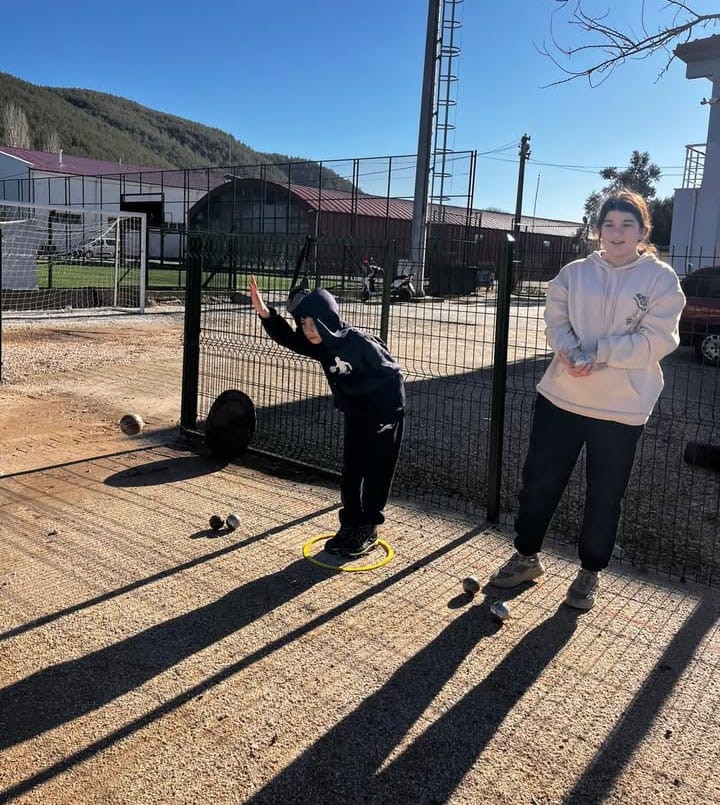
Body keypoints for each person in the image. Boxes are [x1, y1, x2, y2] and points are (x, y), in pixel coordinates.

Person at [490, 190, 686, 610]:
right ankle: (526, 557)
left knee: (605, 492)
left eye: (626, 225)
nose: (616, 233)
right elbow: (555, 320)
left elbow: (659, 339)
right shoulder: (574, 273)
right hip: (561, 396)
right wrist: (567, 350)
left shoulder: (661, 279)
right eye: (608, 225)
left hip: (621, 409)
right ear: (597, 231)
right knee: (539, 482)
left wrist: (596, 352)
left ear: (643, 231)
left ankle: (590, 571)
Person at [249, 275, 405, 558]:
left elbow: (392, 374)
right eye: (303, 322)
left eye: (312, 322)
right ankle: (350, 524)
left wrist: (387, 417)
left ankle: (368, 527)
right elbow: (290, 340)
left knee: (375, 473)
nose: (307, 329)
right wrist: (266, 314)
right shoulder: (322, 345)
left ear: (327, 319)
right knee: (351, 471)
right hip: (356, 416)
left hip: (383, 415)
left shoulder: (359, 343)